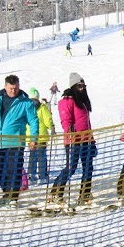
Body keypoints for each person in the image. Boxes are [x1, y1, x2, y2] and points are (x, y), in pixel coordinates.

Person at [0, 75, 38, 206]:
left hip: (15, 143)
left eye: (15, 88)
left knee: (13, 170)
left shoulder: (26, 102)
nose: (13, 91)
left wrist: (33, 138)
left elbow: (33, 121)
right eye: (11, 88)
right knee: (0, 170)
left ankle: (12, 197)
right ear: (5, 87)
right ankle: (7, 193)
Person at [48, 73, 95, 208]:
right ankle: (57, 191)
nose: (82, 89)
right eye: (79, 86)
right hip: (73, 140)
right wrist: (70, 131)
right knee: (71, 167)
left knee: (88, 167)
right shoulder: (67, 101)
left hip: (86, 139)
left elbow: (87, 123)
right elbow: (65, 121)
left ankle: (85, 193)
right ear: (73, 86)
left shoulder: (83, 101)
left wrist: (92, 139)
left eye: (83, 86)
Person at [26, 89, 55, 185]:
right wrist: (51, 126)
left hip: (30, 137)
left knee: (32, 155)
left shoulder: (27, 108)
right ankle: (42, 175)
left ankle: (31, 175)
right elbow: (47, 120)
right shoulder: (42, 107)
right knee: (41, 156)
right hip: (41, 136)